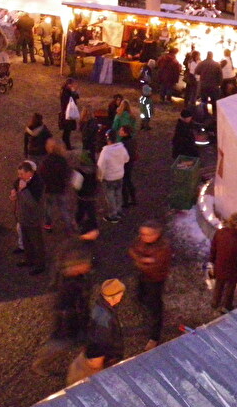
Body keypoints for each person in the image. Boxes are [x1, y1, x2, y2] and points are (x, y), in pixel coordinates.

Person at [31, 230, 95, 376]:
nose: (88, 266)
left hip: (78, 317)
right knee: (59, 344)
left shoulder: (77, 277)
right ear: (75, 266)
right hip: (68, 322)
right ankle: (40, 363)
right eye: (85, 264)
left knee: (86, 340)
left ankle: (88, 365)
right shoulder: (68, 285)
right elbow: (66, 306)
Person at [67, 279, 125, 385]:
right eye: (121, 294)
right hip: (105, 360)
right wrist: (97, 369)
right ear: (114, 297)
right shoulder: (105, 318)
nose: (122, 296)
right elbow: (100, 345)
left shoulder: (100, 306)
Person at [128, 220, 172, 350]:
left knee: (155, 306)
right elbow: (133, 250)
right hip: (143, 276)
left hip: (155, 280)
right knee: (140, 296)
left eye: (148, 234)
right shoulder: (140, 241)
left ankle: (154, 336)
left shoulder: (163, 247)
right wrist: (143, 260)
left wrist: (141, 260)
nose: (143, 237)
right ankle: (144, 309)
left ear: (157, 234)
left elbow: (153, 265)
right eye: (142, 234)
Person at [210, 213, 237, 312]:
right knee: (230, 289)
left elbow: (214, 248)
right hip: (234, 269)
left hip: (220, 265)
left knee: (219, 285)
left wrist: (212, 261)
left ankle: (215, 302)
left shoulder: (220, 233)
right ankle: (226, 306)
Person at [13, 161, 48, 275]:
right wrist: (14, 190)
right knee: (26, 240)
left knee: (36, 242)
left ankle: (40, 265)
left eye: (22, 174)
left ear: (29, 173)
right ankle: (29, 260)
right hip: (23, 217)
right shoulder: (23, 180)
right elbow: (16, 184)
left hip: (33, 218)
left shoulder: (37, 184)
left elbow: (32, 204)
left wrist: (23, 190)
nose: (20, 177)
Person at [40, 138, 76, 234]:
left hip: (49, 189)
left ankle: (48, 225)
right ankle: (68, 227)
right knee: (63, 208)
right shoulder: (62, 160)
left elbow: (42, 174)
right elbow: (67, 174)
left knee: (48, 208)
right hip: (61, 188)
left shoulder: (46, 160)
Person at [96, 130, 129, 223]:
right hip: (119, 175)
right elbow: (126, 159)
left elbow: (100, 167)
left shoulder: (105, 152)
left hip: (109, 178)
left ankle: (113, 215)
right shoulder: (121, 148)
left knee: (110, 196)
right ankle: (119, 210)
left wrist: (100, 177)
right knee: (118, 193)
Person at [75, 154, 100, 232]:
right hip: (92, 194)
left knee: (81, 210)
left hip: (82, 195)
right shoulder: (96, 170)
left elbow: (76, 184)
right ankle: (94, 226)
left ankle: (78, 222)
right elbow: (99, 179)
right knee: (91, 210)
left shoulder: (79, 172)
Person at [196, 51, 224, 117]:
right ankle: (214, 115)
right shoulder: (217, 64)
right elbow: (220, 75)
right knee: (214, 101)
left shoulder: (201, 63)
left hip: (204, 85)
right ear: (212, 56)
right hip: (213, 86)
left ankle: (204, 114)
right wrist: (219, 84)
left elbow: (196, 71)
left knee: (204, 101)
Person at [119, 125, 138, 207]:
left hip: (125, 164)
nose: (119, 132)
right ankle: (133, 199)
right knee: (129, 181)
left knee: (124, 183)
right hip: (131, 163)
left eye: (121, 130)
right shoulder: (132, 140)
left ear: (125, 133)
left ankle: (125, 201)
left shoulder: (123, 143)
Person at [60, 78, 80, 149]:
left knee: (67, 130)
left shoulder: (65, 90)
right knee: (67, 130)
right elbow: (76, 96)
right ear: (69, 85)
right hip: (68, 113)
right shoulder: (66, 92)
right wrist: (74, 91)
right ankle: (68, 146)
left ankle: (67, 145)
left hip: (66, 112)